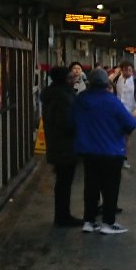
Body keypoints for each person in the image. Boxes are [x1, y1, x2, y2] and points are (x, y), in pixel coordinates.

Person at [72, 67, 136, 234]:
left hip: (88, 152)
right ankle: (108, 223)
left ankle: (89, 221)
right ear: (106, 83)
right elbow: (131, 123)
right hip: (111, 152)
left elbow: (71, 121)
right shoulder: (112, 102)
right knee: (110, 188)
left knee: (91, 187)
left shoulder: (80, 99)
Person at [40, 66, 83, 226]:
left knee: (62, 182)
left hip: (56, 144)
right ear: (63, 80)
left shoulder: (52, 95)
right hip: (65, 146)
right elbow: (67, 123)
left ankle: (62, 215)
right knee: (64, 183)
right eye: (70, 78)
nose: (73, 80)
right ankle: (63, 216)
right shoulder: (63, 97)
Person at [114, 61, 136, 168]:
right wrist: (115, 73)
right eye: (125, 70)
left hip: (129, 113)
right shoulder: (116, 80)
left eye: (129, 70)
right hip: (115, 113)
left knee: (126, 137)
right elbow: (106, 83)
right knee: (115, 135)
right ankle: (116, 156)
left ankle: (124, 158)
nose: (127, 72)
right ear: (121, 70)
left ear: (132, 71)